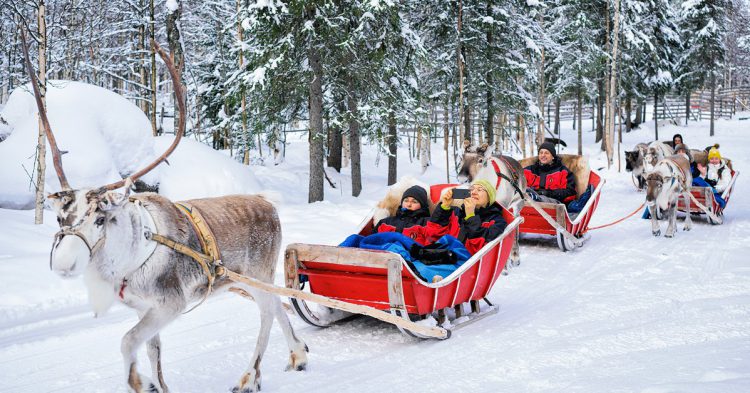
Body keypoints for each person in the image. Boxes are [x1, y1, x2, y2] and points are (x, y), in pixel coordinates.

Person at [425, 179, 507, 256]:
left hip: (461, 263)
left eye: (479, 189)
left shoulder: (496, 221)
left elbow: (481, 250)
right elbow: (432, 234)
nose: (473, 192)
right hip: (439, 254)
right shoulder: (456, 212)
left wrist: (470, 216)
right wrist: (444, 206)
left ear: (489, 197)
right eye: (471, 189)